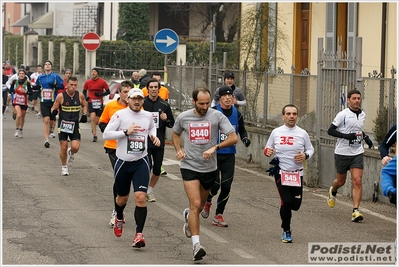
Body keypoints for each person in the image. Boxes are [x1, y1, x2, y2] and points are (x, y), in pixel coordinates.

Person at [172, 86, 238, 261]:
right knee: (195, 203)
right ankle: (196, 246)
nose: (205, 106)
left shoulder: (216, 116)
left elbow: (233, 137)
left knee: (199, 207)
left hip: (209, 168)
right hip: (189, 166)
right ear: (193, 101)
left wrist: (215, 147)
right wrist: (178, 150)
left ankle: (189, 216)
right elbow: (176, 133)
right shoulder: (184, 117)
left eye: (207, 103)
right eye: (201, 103)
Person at [103, 88, 160, 248]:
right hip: (123, 162)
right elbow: (106, 134)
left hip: (141, 161)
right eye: (134, 98)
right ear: (128, 99)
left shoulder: (147, 116)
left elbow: (151, 127)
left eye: (140, 99)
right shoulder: (120, 115)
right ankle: (119, 217)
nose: (137, 101)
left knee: (141, 198)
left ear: (143, 100)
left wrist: (153, 136)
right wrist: (125, 133)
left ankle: (139, 234)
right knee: (122, 199)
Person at [201, 85, 251, 227]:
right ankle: (208, 201)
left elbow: (242, 130)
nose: (228, 98)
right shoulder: (214, 112)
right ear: (220, 98)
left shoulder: (237, 113)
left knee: (227, 186)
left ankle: (218, 215)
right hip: (214, 154)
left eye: (231, 96)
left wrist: (245, 138)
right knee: (215, 185)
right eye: (225, 96)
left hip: (229, 154)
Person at [263, 104, 314, 243]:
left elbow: (310, 149)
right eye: (289, 114)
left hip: (297, 174)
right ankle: (286, 230)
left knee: (295, 205)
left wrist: (305, 156)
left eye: (294, 114)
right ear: (283, 116)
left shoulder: (302, 133)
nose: (292, 116)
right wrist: (267, 152)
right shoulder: (276, 132)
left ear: (297, 116)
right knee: (286, 202)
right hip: (281, 172)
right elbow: (268, 147)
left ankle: (285, 216)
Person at [326, 89, 373, 222]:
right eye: (354, 98)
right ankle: (333, 190)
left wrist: (366, 137)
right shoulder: (342, 115)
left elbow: (357, 129)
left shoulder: (362, 114)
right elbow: (331, 130)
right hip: (342, 152)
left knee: (357, 180)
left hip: (357, 152)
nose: (357, 100)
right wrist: (346, 136)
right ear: (348, 100)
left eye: (359, 98)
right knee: (340, 181)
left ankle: (355, 210)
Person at [98, 80, 131, 226]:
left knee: (126, 179)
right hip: (113, 146)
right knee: (119, 177)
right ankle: (116, 211)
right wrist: (111, 131)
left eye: (129, 92)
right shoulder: (111, 106)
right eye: (125, 92)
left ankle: (120, 208)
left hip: (130, 147)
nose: (127, 95)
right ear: (119, 93)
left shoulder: (136, 107)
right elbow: (102, 122)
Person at [142, 78, 175, 202]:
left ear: (159, 89)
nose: (154, 89)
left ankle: (149, 191)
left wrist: (166, 119)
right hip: (144, 140)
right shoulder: (142, 103)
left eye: (156, 87)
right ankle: (143, 190)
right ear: (147, 89)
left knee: (157, 169)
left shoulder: (164, 105)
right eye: (151, 87)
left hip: (158, 142)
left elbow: (172, 124)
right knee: (146, 167)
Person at [50, 76, 88, 176]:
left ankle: (71, 153)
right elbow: (54, 107)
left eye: (75, 85)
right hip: (63, 125)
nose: (73, 87)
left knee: (75, 147)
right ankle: (64, 167)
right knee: (63, 146)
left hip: (75, 125)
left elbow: (84, 105)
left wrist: (84, 114)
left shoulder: (80, 95)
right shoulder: (61, 96)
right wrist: (53, 112)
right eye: (71, 85)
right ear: (67, 85)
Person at [34, 60, 65, 148]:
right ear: (44, 67)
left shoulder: (55, 76)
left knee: (51, 121)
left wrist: (55, 86)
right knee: (46, 120)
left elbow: (62, 86)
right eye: (46, 64)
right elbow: (37, 86)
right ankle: (46, 140)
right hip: (44, 101)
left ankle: (51, 130)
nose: (47, 65)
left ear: (51, 66)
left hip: (53, 101)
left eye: (49, 64)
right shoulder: (40, 77)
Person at [83, 67, 110, 142]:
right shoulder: (88, 82)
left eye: (94, 72)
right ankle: (95, 135)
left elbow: (108, 91)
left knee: (97, 120)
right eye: (92, 72)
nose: (93, 73)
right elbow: (84, 91)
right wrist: (86, 98)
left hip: (99, 102)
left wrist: (100, 94)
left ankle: (93, 128)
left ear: (97, 73)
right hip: (91, 101)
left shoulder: (102, 82)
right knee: (92, 117)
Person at [9, 68, 33, 137]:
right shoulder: (15, 82)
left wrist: (26, 92)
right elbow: (11, 90)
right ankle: (16, 130)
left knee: (22, 117)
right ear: (18, 75)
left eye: (23, 74)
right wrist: (12, 92)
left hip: (24, 102)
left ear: (25, 75)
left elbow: (31, 92)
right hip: (16, 101)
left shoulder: (27, 83)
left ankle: (21, 130)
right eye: (20, 74)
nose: (21, 75)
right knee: (18, 115)